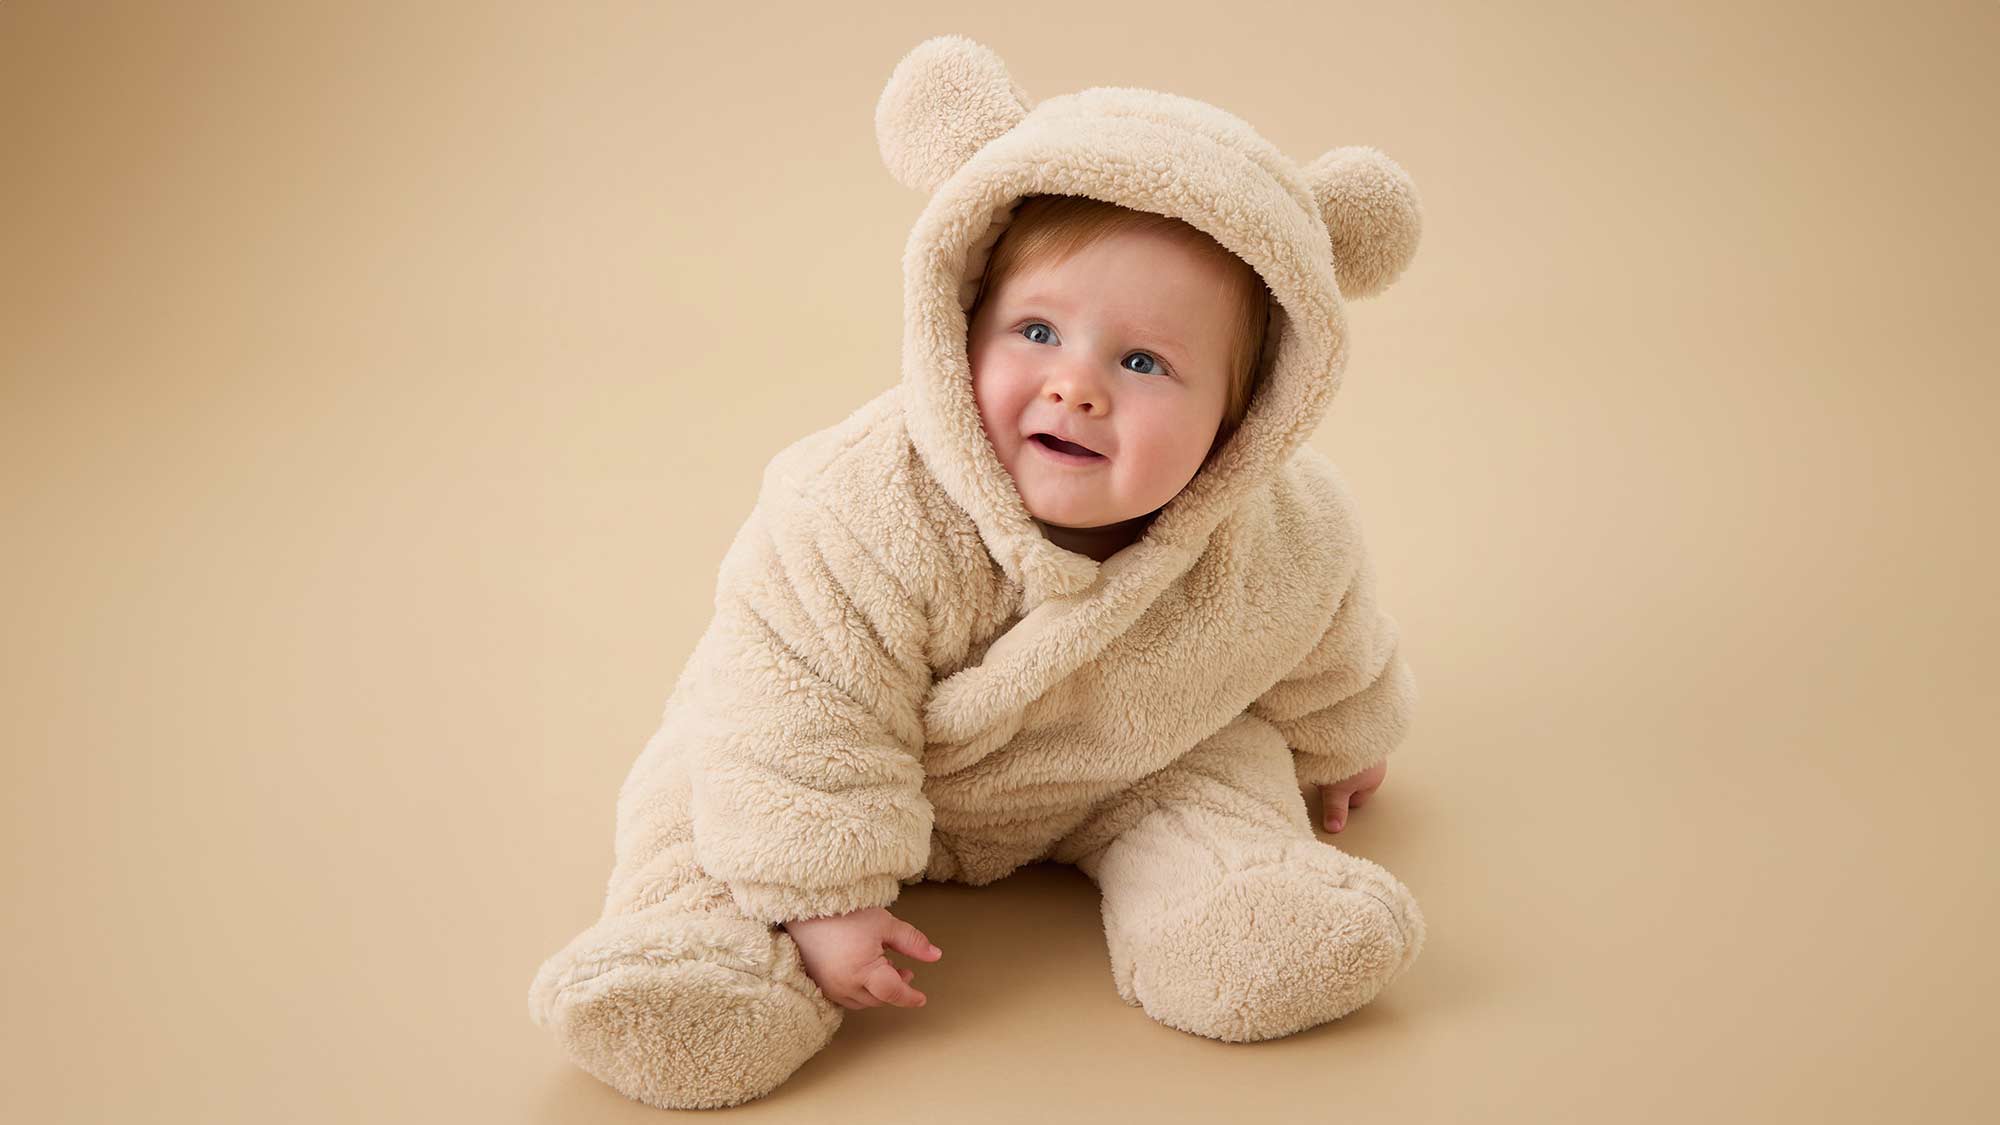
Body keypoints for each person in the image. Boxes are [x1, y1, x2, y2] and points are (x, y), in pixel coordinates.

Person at [528, 34, 1428, 1110]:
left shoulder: (1283, 528)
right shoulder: (857, 506)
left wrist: (1343, 743)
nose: (1074, 388)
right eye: (1036, 331)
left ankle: (1237, 915)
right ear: (955, 331)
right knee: (703, 791)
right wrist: (823, 893)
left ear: (1245, 418)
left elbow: (1327, 632)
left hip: (1116, 761)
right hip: (827, 752)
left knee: (1221, 773)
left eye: (1143, 363)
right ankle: (692, 955)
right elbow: (795, 704)